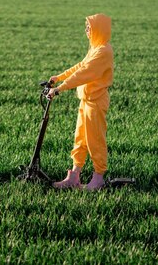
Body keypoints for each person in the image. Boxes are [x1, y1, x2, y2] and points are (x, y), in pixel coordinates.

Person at [46, 13, 113, 191]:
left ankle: (98, 179)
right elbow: (80, 66)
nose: (86, 30)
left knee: (95, 140)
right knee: (80, 138)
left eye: (89, 27)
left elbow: (84, 74)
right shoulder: (95, 48)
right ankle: (74, 176)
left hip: (96, 102)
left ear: (99, 29)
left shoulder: (103, 52)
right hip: (86, 100)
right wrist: (58, 78)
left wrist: (61, 88)